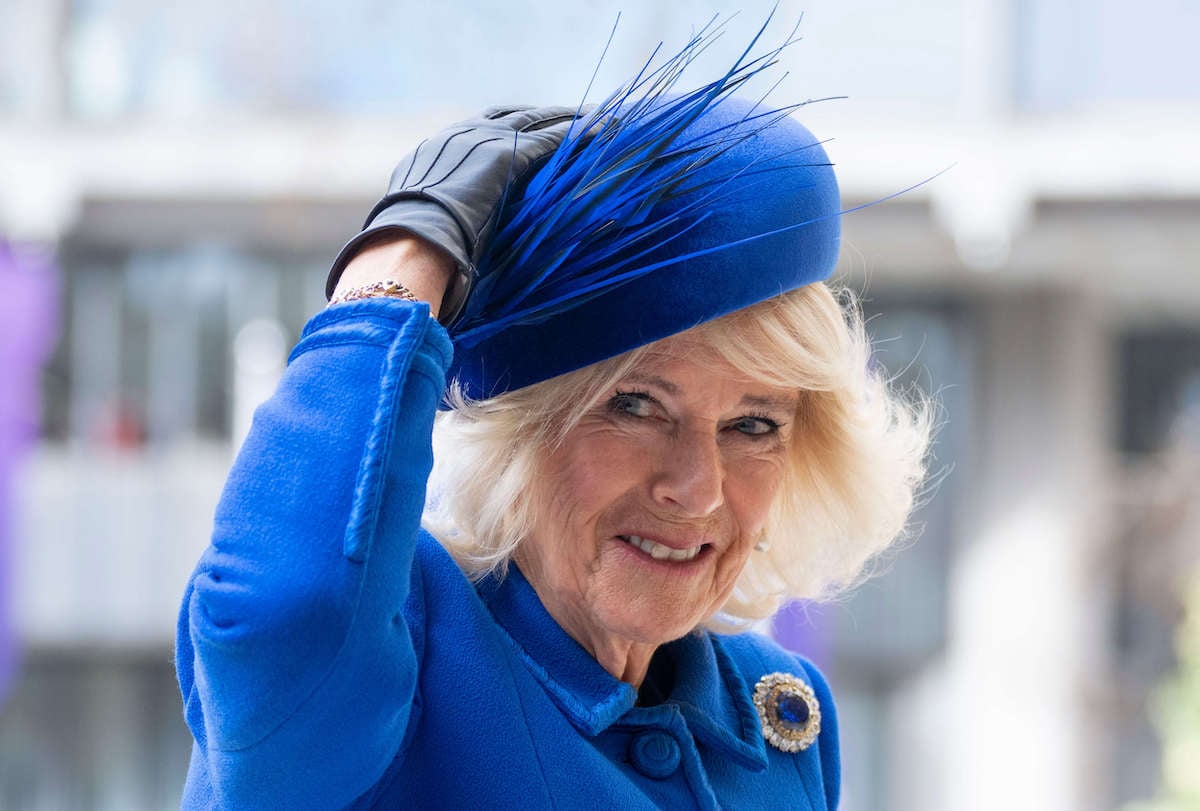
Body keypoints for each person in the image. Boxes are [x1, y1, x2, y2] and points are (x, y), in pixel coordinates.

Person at [175, 28, 930, 810]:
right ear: (521, 432)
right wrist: (406, 248)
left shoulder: (776, 720)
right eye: (636, 406)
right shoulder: (401, 656)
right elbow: (283, 616)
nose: (698, 487)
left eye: (754, 425)